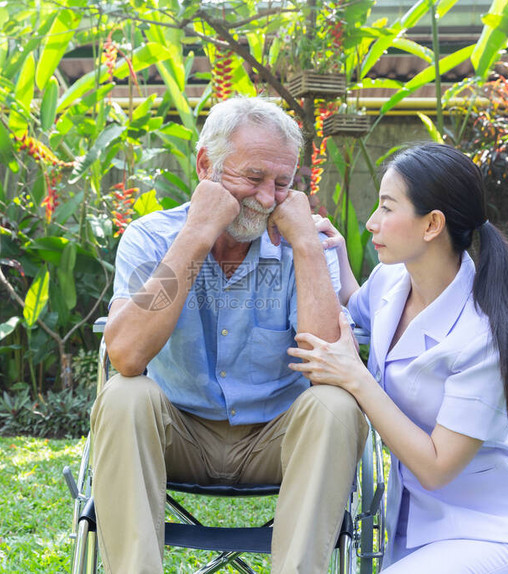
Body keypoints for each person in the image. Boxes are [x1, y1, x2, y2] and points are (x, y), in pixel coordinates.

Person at [90, 96, 369, 573]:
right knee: (123, 396)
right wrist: (197, 234)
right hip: (177, 431)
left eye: (282, 183)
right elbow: (127, 356)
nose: (266, 198)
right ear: (206, 166)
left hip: (278, 438)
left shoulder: (305, 240)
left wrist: (304, 244)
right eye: (254, 178)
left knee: (337, 404)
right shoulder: (150, 237)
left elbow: (328, 364)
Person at [289, 143, 508, 573]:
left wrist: (356, 378)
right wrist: (335, 253)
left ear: (432, 224)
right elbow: (357, 307)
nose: (372, 222)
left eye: (387, 208)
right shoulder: (392, 279)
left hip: (494, 528)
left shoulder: (481, 336)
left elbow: (436, 467)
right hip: (415, 525)